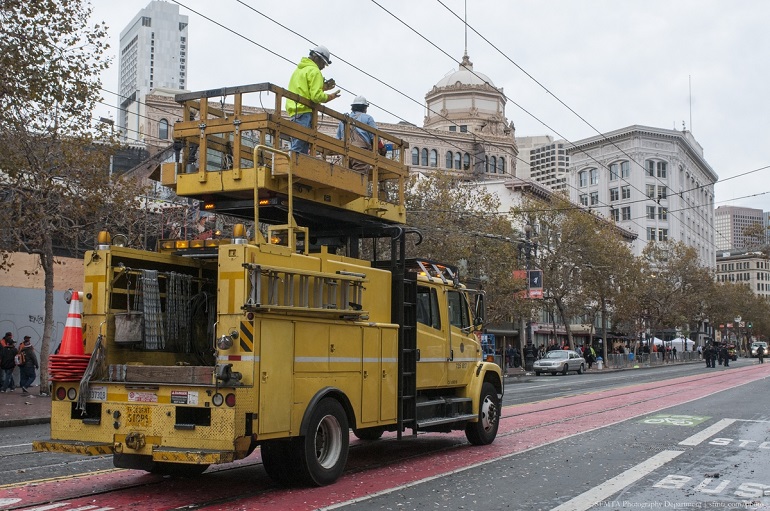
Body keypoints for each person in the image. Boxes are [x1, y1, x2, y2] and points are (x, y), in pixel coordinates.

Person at [286, 45, 340, 154]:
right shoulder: (315, 71)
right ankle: (292, 168)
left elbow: (305, 90)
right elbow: (316, 97)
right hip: (304, 112)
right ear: (316, 58)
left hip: (294, 112)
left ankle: (295, 168)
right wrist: (330, 97)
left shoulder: (299, 70)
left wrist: (323, 87)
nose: (323, 67)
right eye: (323, 63)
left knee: (299, 145)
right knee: (300, 147)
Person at [336, 95, 378, 172]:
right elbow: (375, 138)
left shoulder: (344, 119)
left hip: (345, 153)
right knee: (360, 180)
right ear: (365, 108)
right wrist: (382, 149)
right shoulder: (368, 118)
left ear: (353, 107)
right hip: (360, 153)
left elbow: (337, 139)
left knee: (347, 178)